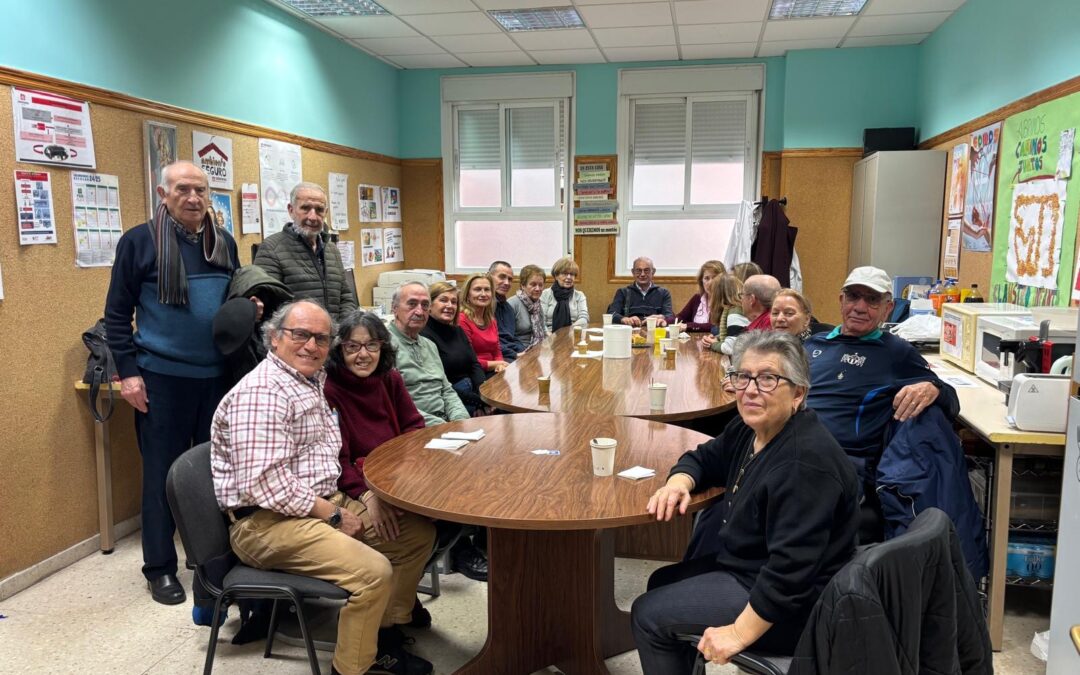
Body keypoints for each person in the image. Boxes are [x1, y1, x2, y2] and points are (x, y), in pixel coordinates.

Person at [211, 300, 435, 675]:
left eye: (320, 338)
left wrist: (361, 497)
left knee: (414, 535)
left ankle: (384, 634)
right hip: (266, 523)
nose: (311, 346)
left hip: (316, 502)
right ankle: (351, 668)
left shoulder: (309, 381)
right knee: (373, 572)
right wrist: (334, 514)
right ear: (274, 338)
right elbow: (266, 483)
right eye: (300, 335)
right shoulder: (263, 393)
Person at [631, 331, 859, 671]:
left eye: (768, 379)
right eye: (743, 377)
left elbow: (789, 574)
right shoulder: (752, 428)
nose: (751, 389)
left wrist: (738, 633)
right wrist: (679, 481)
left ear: (798, 393)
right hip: (750, 568)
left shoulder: (804, 464)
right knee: (661, 583)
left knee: (648, 614)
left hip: (797, 608)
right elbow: (705, 458)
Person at [104, 161, 241, 605]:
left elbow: (233, 303)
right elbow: (116, 315)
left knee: (213, 476)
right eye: (182, 189)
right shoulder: (139, 242)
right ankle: (159, 568)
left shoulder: (223, 243)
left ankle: (209, 561)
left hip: (215, 379)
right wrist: (128, 374)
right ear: (163, 195)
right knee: (161, 477)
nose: (193, 198)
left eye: (200, 190)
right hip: (160, 379)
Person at [323, 310, 439, 630]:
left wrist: (418, 466)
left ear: (382, 348)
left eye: (371, 345)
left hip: (398, 476)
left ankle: (404, 594)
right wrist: (368, 497)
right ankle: (390, 624)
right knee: (416, 534)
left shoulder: (390, 378)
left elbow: (413, 426)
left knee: (449, 518)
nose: (363, 355)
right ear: (339, 351)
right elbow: (339, 461)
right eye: (352, 347)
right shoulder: (330, 391)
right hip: (359, 486)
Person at [805, 266, 958, 492]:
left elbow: (951, 401)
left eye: (872, 300)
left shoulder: (895, 352)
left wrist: (933, 387)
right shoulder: (812, 343)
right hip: (790, 445)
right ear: (841, 300)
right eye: (853, 296)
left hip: (840, 463)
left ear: (888, 309)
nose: (859, 307)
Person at [253, 182, 357, 322]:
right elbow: (268, 310)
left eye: (319, 210)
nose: (313, 217)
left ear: (325, 213)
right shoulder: (271, 249)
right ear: (291, 210)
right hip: (298, 340)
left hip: (332, 339)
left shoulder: (332, 251)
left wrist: (345, 334)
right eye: (305, 208)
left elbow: (345, 298)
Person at [385, 282, 470, 427]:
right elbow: (395, 403)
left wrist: (460, 420)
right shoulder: (384, 347)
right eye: (412, 304)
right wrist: (442, 427)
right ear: (394, 308)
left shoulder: (429, 345)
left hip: (443, 422)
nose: (419, 311)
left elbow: (446, 390)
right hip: (413, 427)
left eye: (425, 305)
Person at [420, 280, 486, 415]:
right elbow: (441, 385)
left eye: (454, 302)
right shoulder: (423, 335)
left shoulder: (457, 330)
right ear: (429, 305)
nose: (449, 306)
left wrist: (483, 393)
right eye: (443, 300)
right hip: (452, 398)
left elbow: (474, 364)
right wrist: (479, 401)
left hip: (472, 391)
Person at [459, 273, 509, 377]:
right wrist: (497, 364)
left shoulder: (491, 319)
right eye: (477, 289)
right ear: (467, 294)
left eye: (487, 289)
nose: (483, 294)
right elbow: (468, 359)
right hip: (474, 373)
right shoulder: (462, 319)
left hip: (494, 370)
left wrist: (500, 364)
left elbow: (497, 350)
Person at [608, 256, 674, 327]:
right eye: (638, 270)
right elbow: (612, 314)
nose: (642, 274)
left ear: (653, 272)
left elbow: (670, 317)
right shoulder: (623, 292)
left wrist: (662, 317)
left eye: (646, 270)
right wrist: (624, 319)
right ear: (633, 272)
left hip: (655, 331)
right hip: (630, 331)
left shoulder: (663, 293)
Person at [700, 275, 747, 356]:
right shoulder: (732, 309)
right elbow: (734, 336)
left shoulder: (735, 312)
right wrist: (717, 338)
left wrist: (713, 344)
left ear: (718, 295)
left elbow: (731, 347)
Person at [489, 260, 526, 361]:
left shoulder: (508, 308)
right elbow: (490, 342)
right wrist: (515, 354)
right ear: (489, 276)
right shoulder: (484, 306)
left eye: (510, 279)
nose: (506, 283)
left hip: (512, 353)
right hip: (495, 357)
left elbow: (512, 337)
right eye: (502, 277)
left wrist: (524, 351)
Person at [541, 255, 589, 332]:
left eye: (572, 274)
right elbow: (540, 322)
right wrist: (549, 336)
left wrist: (567, 332)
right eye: (565, 274)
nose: (569, 277)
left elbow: (584, 318)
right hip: (549, 336)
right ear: (556, 276)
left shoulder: (579, 295)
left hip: (572, 334)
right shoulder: (545, 294)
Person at [675, 260, 726, 332]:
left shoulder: (726, 300)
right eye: (707, 278)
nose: (710, 282)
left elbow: (716, 326)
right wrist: (664, 321)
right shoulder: (697, 298)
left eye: (714, 278)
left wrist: (689, 326)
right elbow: (680, 317)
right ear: (701, 281)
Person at [507, 264, 548, 348]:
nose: (537, 289)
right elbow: (507, 339)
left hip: (539, 349)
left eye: (540, 285)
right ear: (523, 285)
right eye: (533, 284)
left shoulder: (537, 304)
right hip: (520, 352)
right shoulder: (512, 304)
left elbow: (543, 329)